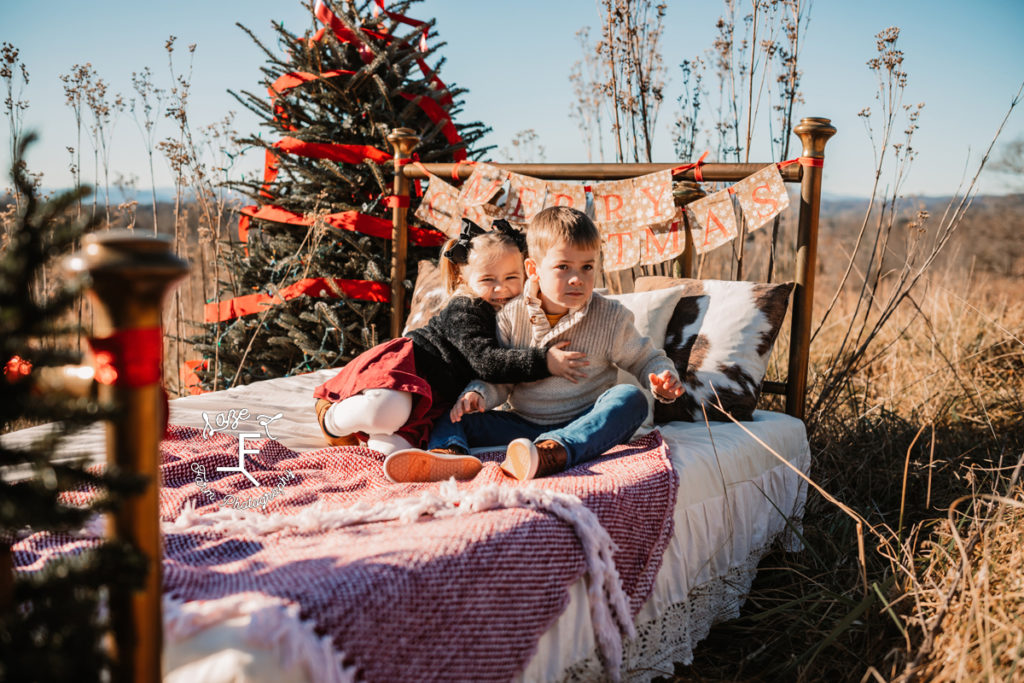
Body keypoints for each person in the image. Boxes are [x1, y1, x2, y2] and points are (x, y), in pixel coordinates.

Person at [391, 205, 685, 483]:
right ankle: (447, 455)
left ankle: (556, 451)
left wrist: (660, 377)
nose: (577, 279)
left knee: (630, 399)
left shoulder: (610, 317)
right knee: (454, 411)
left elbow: (645, 358)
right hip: (521, 423)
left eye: (587, 267)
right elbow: (501, 378)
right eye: (563, 267)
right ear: (533, 270)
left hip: (585, 420)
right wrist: (477, 394)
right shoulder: (510, 315)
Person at [313, 218, 588, 482]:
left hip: (434, 402)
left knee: (390, 457)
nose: (501, 288)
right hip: (412, 371)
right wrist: (544, 361)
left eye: (511, 277)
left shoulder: (517, 313)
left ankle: (377, 435)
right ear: (464, 279)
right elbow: (486, 363)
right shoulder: (466, 309)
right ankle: (331, 419)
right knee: (387, 413)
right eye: (488, 279)